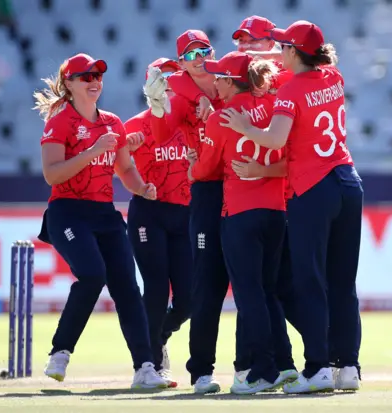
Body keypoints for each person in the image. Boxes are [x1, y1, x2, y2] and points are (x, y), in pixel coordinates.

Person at [220, 20, 363, 394]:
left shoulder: (290, 92)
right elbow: (305, 71)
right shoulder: (333, 76)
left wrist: (243, 126)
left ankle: (316, 368)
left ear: (294, 52)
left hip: (314, 189)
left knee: (309, 281)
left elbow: (275, 138)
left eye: (284, 46)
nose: (279, 51)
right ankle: (347, 366)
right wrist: (267, 53)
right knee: (343, 284)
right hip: (348, 181)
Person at [33, 53, 167, 389]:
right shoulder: (59, 122)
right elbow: (52, 175)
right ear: (69, 83)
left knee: (126, 286)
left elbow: (125, 170)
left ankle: (145, 367)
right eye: (86, 77)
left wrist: (144, 189)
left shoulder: (112, 122)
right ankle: (60, 351)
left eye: (98, 77)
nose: (94, 82)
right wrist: (93, 150)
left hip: (104, 214)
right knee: (92, 275)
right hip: (68, 211)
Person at [188, 51, 296, 394]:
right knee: (267, 292)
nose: (214, 82)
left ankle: (262, 371)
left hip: (240, 213)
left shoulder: (221, 117)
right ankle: (284, 365)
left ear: (232, 81)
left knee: (249, 296)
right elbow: (290, 158)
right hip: (276, 212)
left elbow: (205, 170)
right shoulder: (273, 105)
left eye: (219, 77)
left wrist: (193, 163)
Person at [143, 29, 227, 394]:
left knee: (261, 285)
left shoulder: (227, 76)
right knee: (203, 289)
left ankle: (259, 367)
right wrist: (158, 107)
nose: (200, 58)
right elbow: (160, 136)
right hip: (204, 191)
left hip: (247, 184)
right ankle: (202, 373)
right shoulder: (178, 95)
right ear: (180, 64)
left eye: (204, 50)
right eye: (191, 55)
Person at [124, 57, 192, 388]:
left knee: (191, 297)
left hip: (185, 215)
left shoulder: (190, 122)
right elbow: (118, 165)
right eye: (163, 81)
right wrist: (133, 166)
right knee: (155, 288)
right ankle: (148, 363)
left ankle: (159, 335)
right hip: (149, 213)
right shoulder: (136, 124)